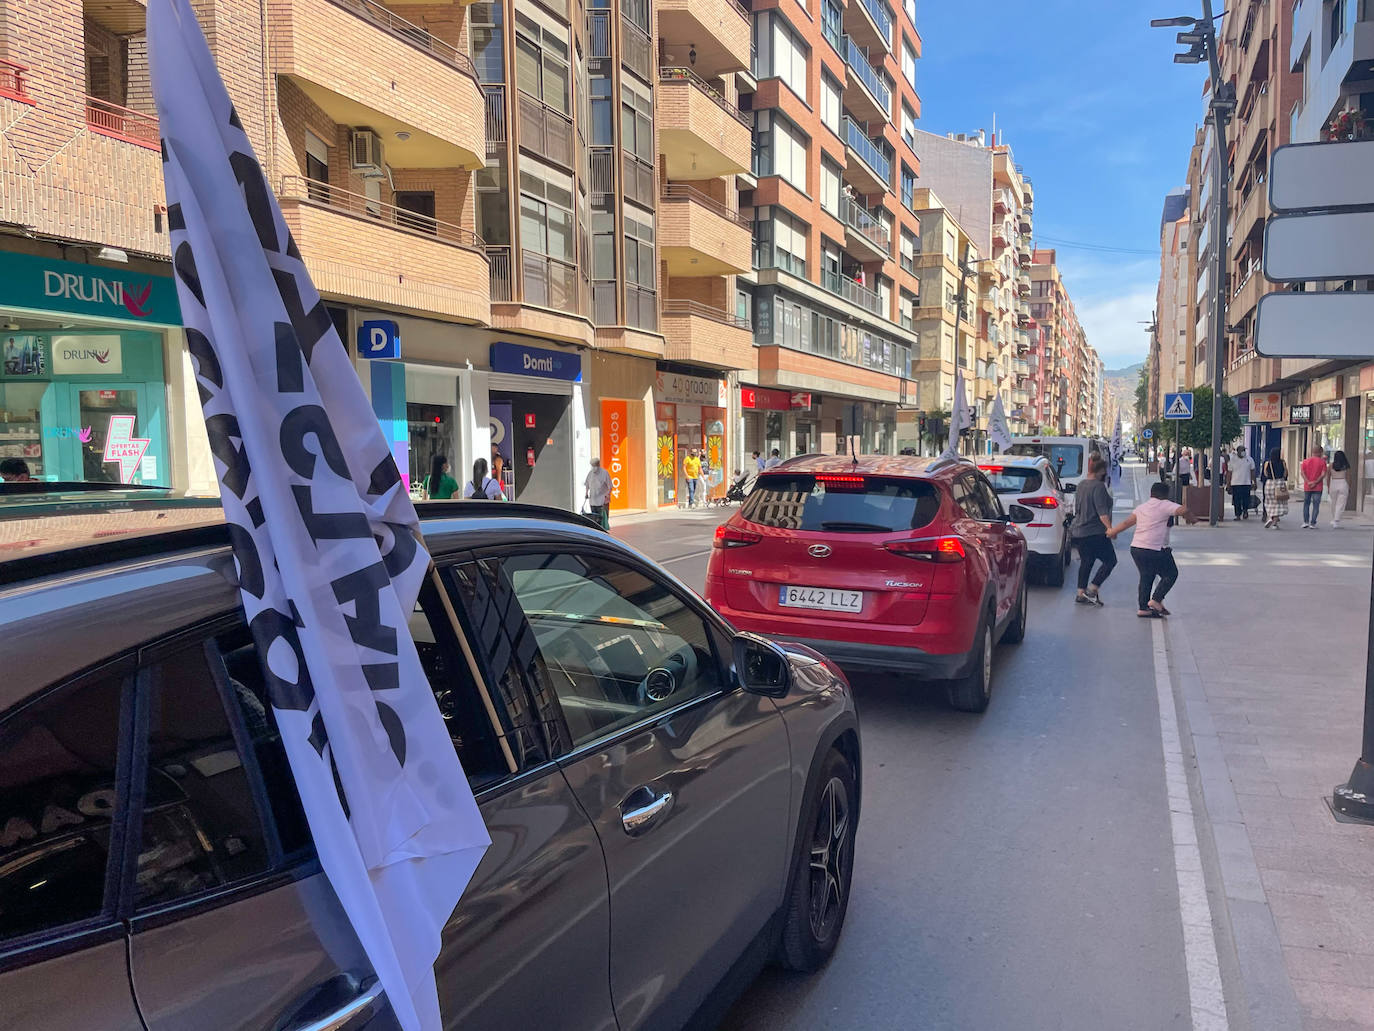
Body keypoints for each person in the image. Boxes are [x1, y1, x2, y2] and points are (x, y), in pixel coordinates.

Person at [1108, 480, 1196, 619]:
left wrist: (1113, 532)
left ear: (1151, 494)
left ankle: (1143, 608)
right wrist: (1192, 519)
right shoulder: (1165, 504)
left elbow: (1127, 523)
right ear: (1166, 495)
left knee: (1146, 576)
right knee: (1171, 574)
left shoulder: (1142, 507)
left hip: (1137, 548)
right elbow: (1184, 509)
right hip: (1154, 549)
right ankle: (1156, 600)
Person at [1070, 453, 1118, 606]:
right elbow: (1102, 512)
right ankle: (1093, 588)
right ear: (1101, 471)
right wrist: (1111, 530)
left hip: (1079, 531)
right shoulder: (1098, 487)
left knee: (1087, 561)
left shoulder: (1081, 484)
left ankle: (1080, 593)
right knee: (1110, 561)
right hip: (1094, 532)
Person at [1299, 446, 1328, 528]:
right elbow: (1323, 474)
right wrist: (1315, 482)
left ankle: (1305, 522)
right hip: (1318, 487)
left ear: (1312, 451)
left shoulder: (1305, 461)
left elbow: (1302, 473)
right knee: (1316, 505)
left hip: (1307, 486)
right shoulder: (1322, 462)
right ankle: (1313, 523)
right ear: (1320, 452)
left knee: (1306, 504)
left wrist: (1308, 482)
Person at [1261, 447, 1289, 529]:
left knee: (1269, 502)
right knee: (1279, 503)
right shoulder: (1283, 462)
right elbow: (1285, 473)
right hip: (1279, 483)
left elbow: (1265, 474)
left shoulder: (1267, 463)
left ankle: (1270, 517)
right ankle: (1274, 522)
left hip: (1269, 484)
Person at [1227, 444, 1255, 520]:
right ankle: (1238, 515)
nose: (1243, 452)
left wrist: (1253, 482)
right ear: (1238, 451)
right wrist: (1228, 484)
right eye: (1242, 450)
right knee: (1236, 500)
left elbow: (1252, 471)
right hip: (1235, 483)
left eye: (1244, 450)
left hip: (1246, 483)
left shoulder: (1249, 459)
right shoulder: (1233, 460)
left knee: (1246, 499)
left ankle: (1245, 511)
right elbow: (1229, 473)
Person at [584, 456, 612, 529]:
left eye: (595, 465)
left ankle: (603, 531)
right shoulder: (590, 473)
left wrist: (607, 495)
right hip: (593, 500)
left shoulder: (605, 473)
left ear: (598, 465)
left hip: (602, 501)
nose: (594, 467)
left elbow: (610, 486)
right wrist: (586, 493)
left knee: (603, 520)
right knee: (594, 519)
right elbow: (587, 484)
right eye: (592, 465)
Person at [1328, 450, 1352, 528]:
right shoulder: (1346, 466)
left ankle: (1334, 519)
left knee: (1333, 503)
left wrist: (1328, 487)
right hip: (1343, 483)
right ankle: (1336, 520)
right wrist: (1349, 487)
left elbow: (1328, 477)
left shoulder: (1331, 465)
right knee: (1341, 504)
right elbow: (1349, 477)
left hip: (1334, 483)